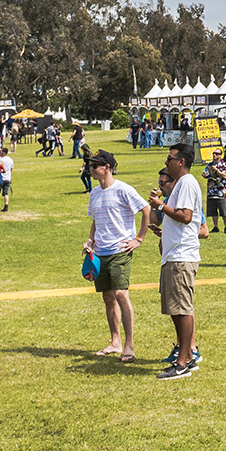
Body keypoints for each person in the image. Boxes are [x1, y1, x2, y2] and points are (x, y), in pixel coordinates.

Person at [84, 150, 146, 359]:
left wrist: (138, 239)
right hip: (100, 253)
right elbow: (95, 221)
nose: (91, 169)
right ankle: (115, 342)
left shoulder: (123, 189)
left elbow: (145, 210)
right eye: (90, 166)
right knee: (108, 297)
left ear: (107, 167)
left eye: (95, 166)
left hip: (120, 250)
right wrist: (90, 242)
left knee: (121, 294)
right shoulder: (94, 193)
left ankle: (129, 345)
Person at [153, 145, 204, 380]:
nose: (167, 161)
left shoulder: (185, 182)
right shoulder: (182, 184)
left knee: (181, 309)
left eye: (170, 158)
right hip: (175, 254)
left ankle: (182, 363)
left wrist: (161, 206)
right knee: (179, 308)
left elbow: (186, 216)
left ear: (181, 161)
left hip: (181, 256)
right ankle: (189, 357)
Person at [204, 154, 226, 234]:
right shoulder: (209, 164)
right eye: (214, 153)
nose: (215, 155)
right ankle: (215, 227)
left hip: (221, 191)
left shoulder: (224, 164)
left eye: (217, 154)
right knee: (212, 210)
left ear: (220, 155)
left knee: (223, 209)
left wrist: (216, 170)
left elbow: (225, 176)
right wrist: (205, 175)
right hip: (211, 190)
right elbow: (206, 174)